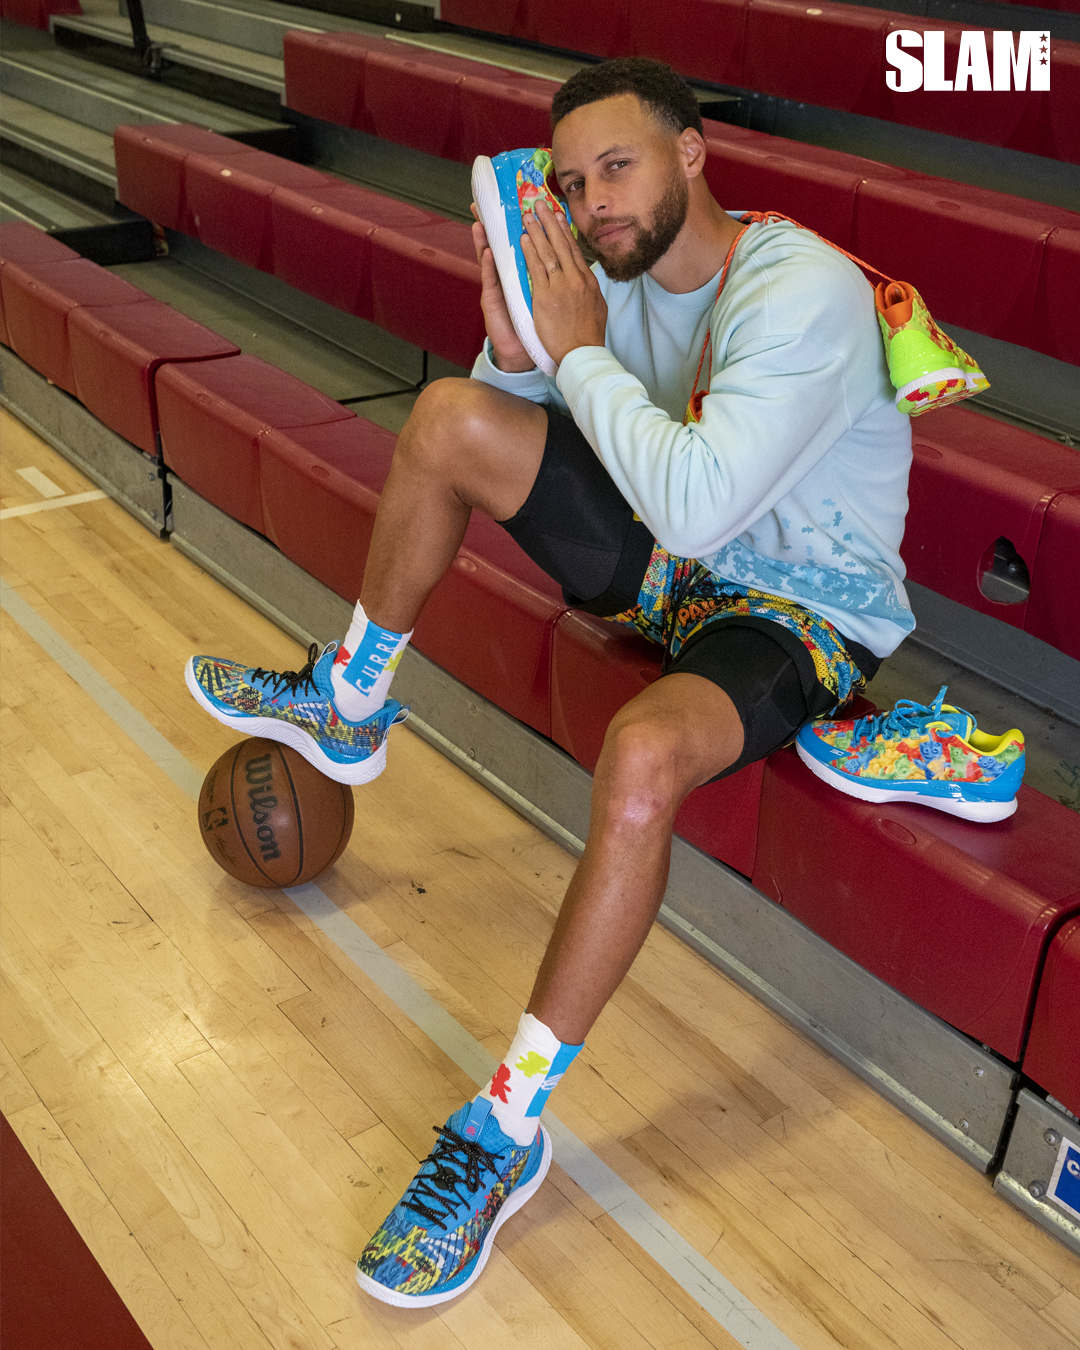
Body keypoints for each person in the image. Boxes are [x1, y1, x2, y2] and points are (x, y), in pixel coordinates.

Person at [186, 57, 914, 1307]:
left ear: (693, 151)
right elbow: (537, 420)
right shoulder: (608, 278)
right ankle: (351, 703)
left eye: (617, 167)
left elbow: (691, 504)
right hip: (680, 575)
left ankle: (506, 1129)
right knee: (451, 416)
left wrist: (573, 350)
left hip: (801, 614)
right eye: (573, 184)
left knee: (642, 755)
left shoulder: (806, 294)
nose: (594, 203)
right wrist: (519, 342)